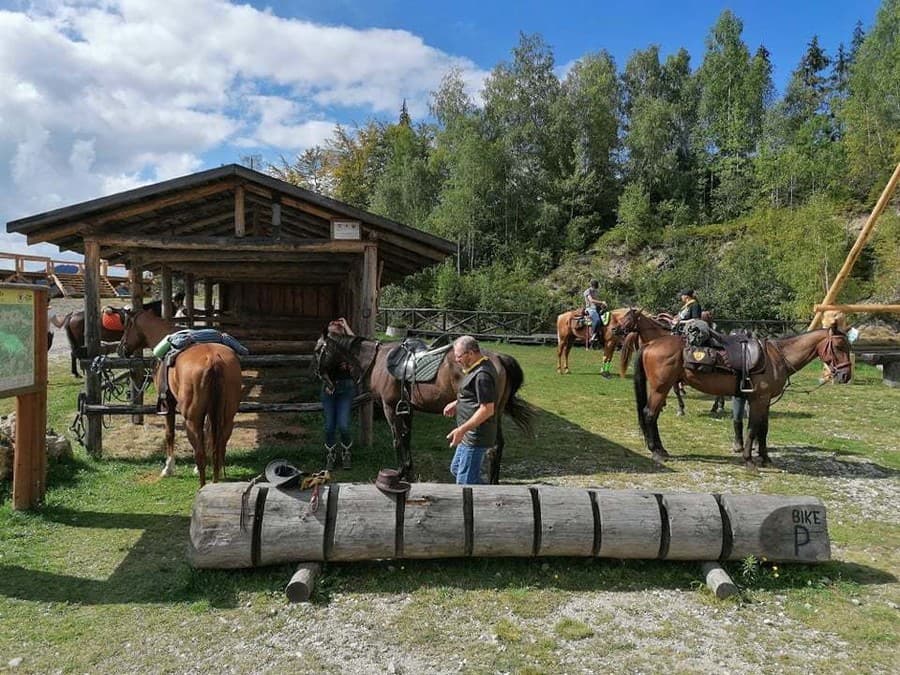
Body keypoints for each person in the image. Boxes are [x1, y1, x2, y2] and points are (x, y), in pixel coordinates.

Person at [442, 335, 497, 485]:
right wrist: (457, 403)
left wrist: (461, 430)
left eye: (459, 356)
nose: (457, 360)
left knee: (465, 481)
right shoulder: (476, 366)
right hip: (468, 434)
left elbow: (487, 409)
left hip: (475, 436)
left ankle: (489, 501)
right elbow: (473, 395)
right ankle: (490, 495)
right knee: (457, 469)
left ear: (471, 354)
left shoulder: (482, 375)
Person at [321, 317, 356, 471]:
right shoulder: (323, 345)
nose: (335, 325)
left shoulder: (347, 346)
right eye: (332, 324)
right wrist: (329, 384)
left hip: (346, 388)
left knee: (344, 426)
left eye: (338, 326)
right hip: (329, 390)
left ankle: (346, 453)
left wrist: (346, 325)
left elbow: (356, 341)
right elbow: (318, 369)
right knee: (329, 426)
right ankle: (331, 455)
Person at [582, 279, 607, 346]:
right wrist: (601, 302)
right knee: (597, 320)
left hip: (596, 308)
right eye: (596, 285)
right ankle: (593, 335)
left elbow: (596, 302)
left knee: (606, 320)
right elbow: (591, 300)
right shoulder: (588, 291)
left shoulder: (595, 292)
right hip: (590, 309)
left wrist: (602, 306)